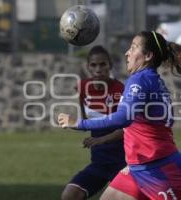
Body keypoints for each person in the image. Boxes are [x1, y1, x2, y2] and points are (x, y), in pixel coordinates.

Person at [58, 31, 181, 200]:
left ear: (147, 56)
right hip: (138, 168)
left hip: (159, 169)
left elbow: (123, 118)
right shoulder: (150, 79)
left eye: (133, 48)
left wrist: (78, 123)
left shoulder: (140, 80)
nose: (127, 53)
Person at [61, 45, 126, 200]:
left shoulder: (121, 90)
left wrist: (101, 139)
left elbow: (127, 129)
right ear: (88, 67)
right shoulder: (83, 88)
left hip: (123, 164)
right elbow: (85, 123)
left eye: (103, 64)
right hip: (99, 163)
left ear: (110, 65)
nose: (98, 69)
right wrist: (69, 122)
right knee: (69, 195)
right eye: (94, 65)